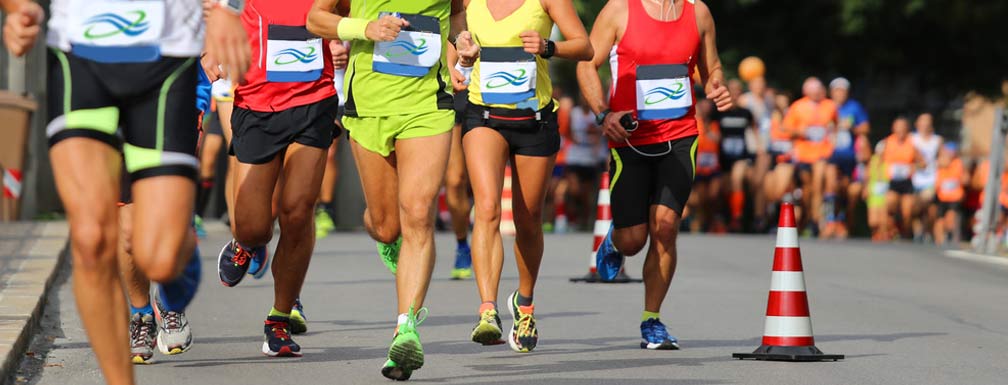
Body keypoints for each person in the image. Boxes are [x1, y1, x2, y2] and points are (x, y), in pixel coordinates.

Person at [3, 0, 217, 383]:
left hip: (166, 66)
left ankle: (173, 273)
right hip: (80, 61)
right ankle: (138, 324)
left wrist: (223, 18)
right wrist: (20, 9)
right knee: (92, 238)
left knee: (161, 254)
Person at [307, 0, 472, 379]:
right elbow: (317, 18)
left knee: (417, 212)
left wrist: (459, 52)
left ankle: (406, 328)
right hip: (368, 106)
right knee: (386, 225)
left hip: (428, 106)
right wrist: (365, 29)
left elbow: (458, 16)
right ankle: (385, 234)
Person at [577, 0, 732, 350]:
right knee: (634, 241)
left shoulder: (699, 13)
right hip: (629, 137)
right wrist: (604, 114)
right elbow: (588, 65)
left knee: (664, 226)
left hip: (680, 136)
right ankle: (615, 241)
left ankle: (652, 319)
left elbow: (713, 67)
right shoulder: (619, 9)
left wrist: (717, 86)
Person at [459, 0, 592, 353]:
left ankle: (525, 302)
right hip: (483, 115)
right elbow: (448, 31)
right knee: (485, 208)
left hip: (535, 121)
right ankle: (487, 309)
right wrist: (460, 57)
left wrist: (549, 47)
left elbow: (585, 45)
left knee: (528, 219)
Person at [211, 0, 340, 359]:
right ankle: (244, 244)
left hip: (315, 101)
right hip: (256, 107)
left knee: (298, 211)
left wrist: (345, 44)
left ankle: (279, 318)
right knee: (253, 226)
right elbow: (216, 14)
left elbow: (350, 17)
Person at [783, 77, 837, 236]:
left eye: (819, 90)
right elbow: (786, 129)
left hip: (823, 152)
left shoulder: (830, 105)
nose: (817, 93)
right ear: (806, 92)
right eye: (813, 91)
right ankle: (808, 217)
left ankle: (817, 219)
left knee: (819, 182)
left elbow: (836, 125)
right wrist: (802, 132)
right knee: (808, 190)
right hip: (804, 154)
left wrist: (832, 139)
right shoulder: (798, 106)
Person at [823, 77, 869, 239]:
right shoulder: (826, 107)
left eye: (843, 90)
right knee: (831, 184)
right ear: (831, 92)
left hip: (850, 157)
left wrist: (853, 128)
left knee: (849, 191)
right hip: (831, 155)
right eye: (837, 90)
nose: (840, 93)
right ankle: (829, 220)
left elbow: (865, 127)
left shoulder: (854, 107)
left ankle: (842, 221)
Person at [315, 40, 350, 239]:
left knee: (329, 153)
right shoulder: (313, 17)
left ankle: (325, 209)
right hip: (310, 94)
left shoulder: (353, 16)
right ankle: (310, 204)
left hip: (339, 96)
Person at [445, 52, 473, 280]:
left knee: (483, 184)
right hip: (455, 94)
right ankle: (462, 243)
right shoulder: (449, 15)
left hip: (489, 93)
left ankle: (486, 243)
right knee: (455, 181)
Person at [715, 79, 756, 231]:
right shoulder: (718, 111)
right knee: (725, 187)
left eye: (738, 90)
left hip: (741, 155)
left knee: (736, 179)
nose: (735, 93)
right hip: (723, 157)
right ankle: (722, 217)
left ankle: (736, 217)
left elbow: (754, 133)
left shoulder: (746, 113)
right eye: (732, 90)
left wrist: (755, 157)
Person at [880, 117, 924, 239]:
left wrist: (915, 166)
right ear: (893, 128)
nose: (900, 130)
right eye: (898, 127)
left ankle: (905, 233)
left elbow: (922, 163)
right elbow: (878, 161)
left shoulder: (912, 143)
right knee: (889, 204)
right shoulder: (887, 142)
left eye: (903, 128)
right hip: (892, 181)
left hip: (906, 182)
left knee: (907, 211)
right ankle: (889, 229)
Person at [686, 98, 722, 233]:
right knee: (701, 197)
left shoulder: (714, 124)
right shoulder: (694, 122)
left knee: (713, 195)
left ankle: (711, 220)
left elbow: (717, 138)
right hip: (699, 168)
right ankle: (699, 221)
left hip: (713, 167)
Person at [911, 112, 942, 241]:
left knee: (926, 203)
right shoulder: (911, 138)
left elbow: (943, 158)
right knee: (914, 208)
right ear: (917, 124)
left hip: (930, 179)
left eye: (928, 122)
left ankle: (926, 232)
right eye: (922, 122)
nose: (925, 125)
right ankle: (918, 233)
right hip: (913, 179)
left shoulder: (937, 140)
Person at [933, 143, 965, 246]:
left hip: (954, 197)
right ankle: (939, 241)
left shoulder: (958, 163)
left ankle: (949, 237)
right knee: (940, 220)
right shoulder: (939, 162)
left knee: (951, 218)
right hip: (942, 197)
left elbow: (964, 178)